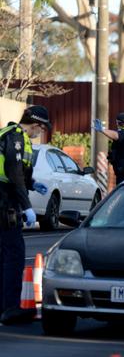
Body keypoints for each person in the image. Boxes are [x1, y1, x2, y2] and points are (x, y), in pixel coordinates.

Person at [0, 106, 51, 324]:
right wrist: (27, 206)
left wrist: (33, 183)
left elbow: (19, 173)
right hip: (4, 201)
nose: (41, 132)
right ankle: (10, 308)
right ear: (35, 124)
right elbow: (13, 173)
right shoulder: (16, 138)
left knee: (4, 256)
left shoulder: (11, 136)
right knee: (14, 255)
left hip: (5, 198)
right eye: (42, 127)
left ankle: (4, 307)